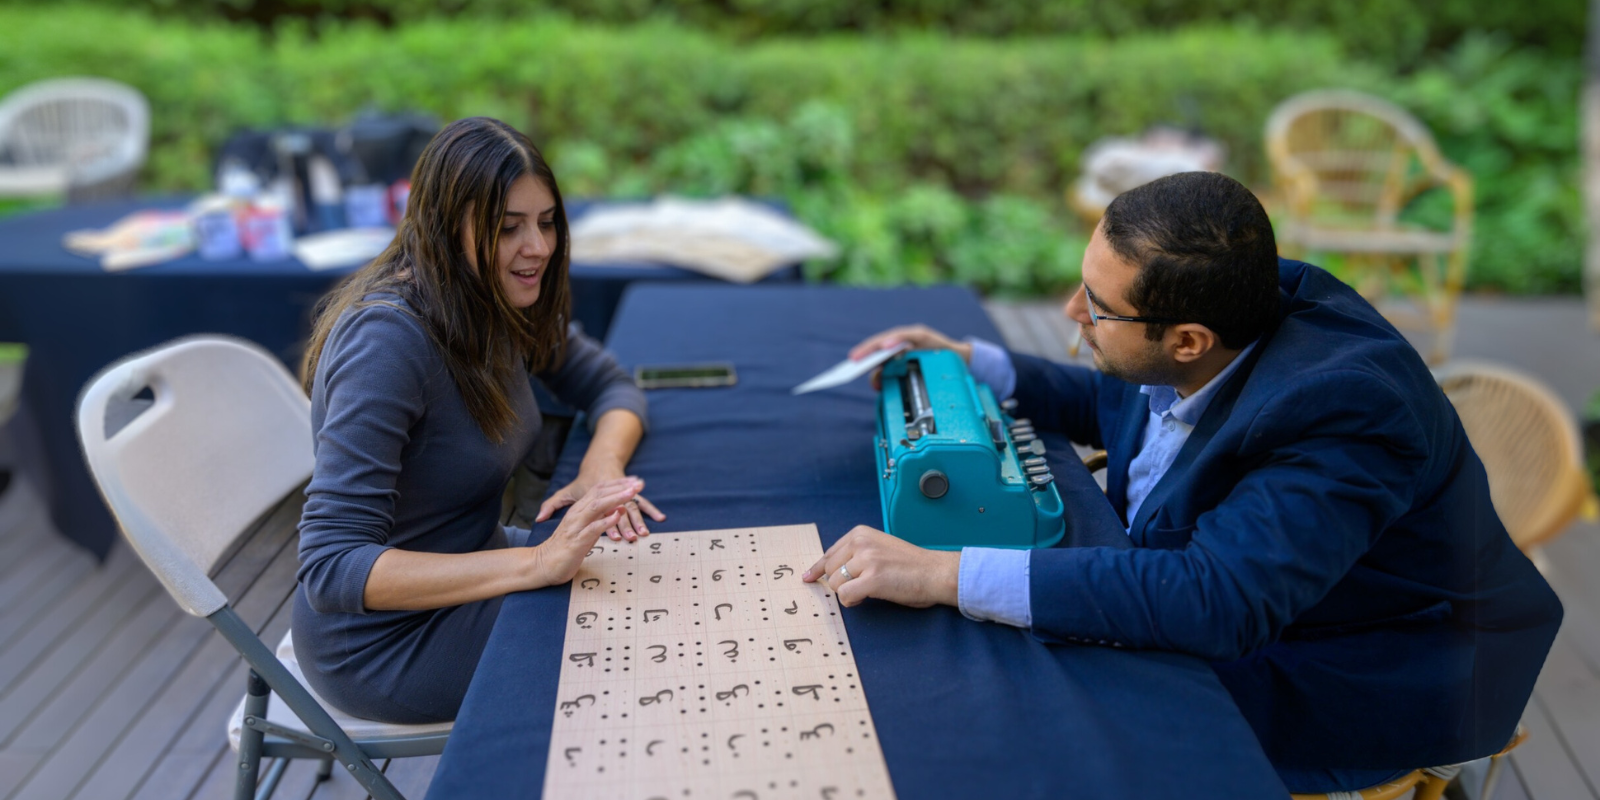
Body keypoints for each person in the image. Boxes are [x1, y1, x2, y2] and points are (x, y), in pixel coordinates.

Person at [805, 172, 1563, 792]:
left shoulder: (1345, 414)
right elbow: (1121, 394)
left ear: (1189, 340)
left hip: (1373, 666)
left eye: (1095, 308)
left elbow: (1216, 601)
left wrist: (946, 572)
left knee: (1042, 736)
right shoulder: (1229, 308)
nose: (1072, 313)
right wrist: (974, 362)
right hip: (1275, 602)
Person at [293, 117, 663, 724]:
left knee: (649, 586)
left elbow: (611, 385)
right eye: (507, 227)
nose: (538, 248)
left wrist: (602, 466)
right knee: (629, 650)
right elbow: (331, 569)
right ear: (444, 226)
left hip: (479, 564)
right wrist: (539, 564)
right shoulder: (387, 343)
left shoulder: (494, 300)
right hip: (386, 643)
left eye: (546, 223)